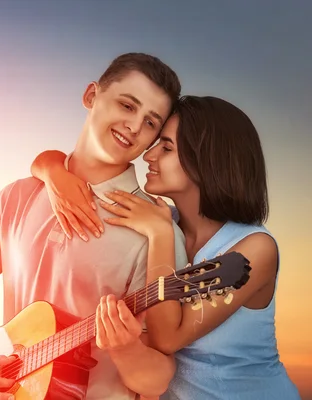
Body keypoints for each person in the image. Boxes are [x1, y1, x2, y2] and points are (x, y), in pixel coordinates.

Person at [0, 53, 190, 400]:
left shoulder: (155, 231)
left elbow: (161, 379)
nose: (135, 127)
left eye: (151, 123)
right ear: (91, 96)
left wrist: (127, 350)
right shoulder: (17, 197)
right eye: (127, 106)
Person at [30, 95, 301, 399]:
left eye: (167, 147)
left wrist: (160, 235)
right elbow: (64, 167)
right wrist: (52, 171)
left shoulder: (255, 248)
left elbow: (167, 338)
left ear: (207, 160)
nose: (148, 155)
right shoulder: (159, 220)